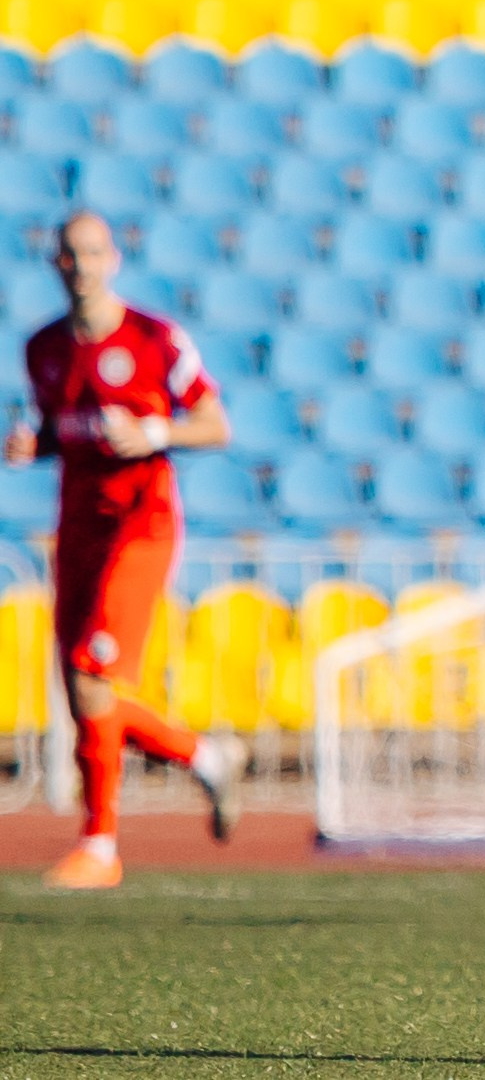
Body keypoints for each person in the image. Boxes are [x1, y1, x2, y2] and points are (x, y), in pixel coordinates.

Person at [4, 211, 244, 889]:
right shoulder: (44, 348)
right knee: (84, 696)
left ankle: (101, 846)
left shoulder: (155, 338)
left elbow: (214, 423)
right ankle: (204, 757)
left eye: (92, 253)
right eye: (69, 256)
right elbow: (61, 429)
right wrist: (35, 446)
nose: (81, 267)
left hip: (141, 524)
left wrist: (154, 432)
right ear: (56, 264)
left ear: (112, 258)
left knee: (92, 679)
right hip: (78, 528)